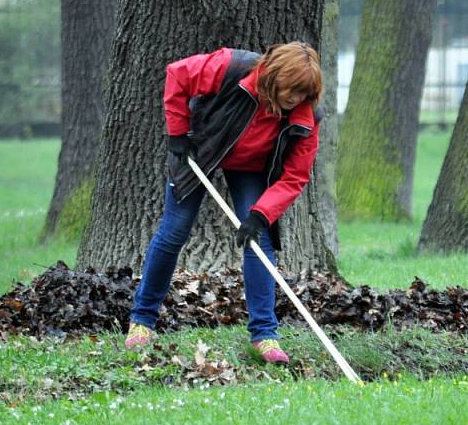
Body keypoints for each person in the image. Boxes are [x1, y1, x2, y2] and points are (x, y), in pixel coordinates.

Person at [124, 42, 324, 364]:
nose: (294, 100)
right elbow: (177, 74)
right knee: (175, 230)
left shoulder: (306, 118)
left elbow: (296, 176)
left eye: (303, 94)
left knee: (258, 241)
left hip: (251, 168)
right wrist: (178, 133)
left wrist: (261, 214)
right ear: (273, 76)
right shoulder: (231, 68)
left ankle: (265, 336)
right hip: (202, 150)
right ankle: (142, 321)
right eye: (291, 90)